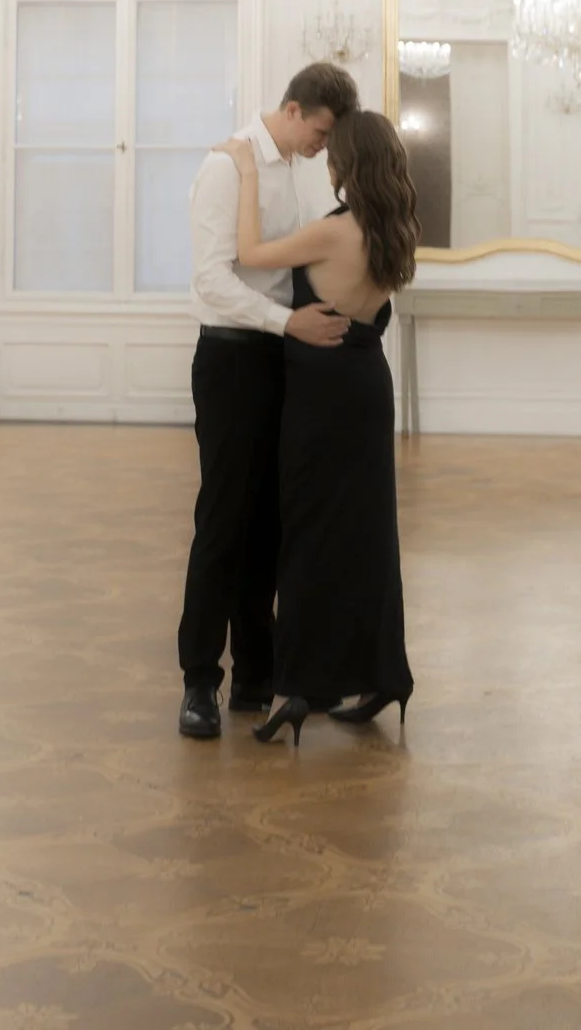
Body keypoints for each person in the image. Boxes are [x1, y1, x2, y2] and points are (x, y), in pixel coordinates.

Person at [216, 109, 419, 747]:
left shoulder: (335, 233)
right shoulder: (398, 228)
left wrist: (247, 172)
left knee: (304, 539)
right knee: (369, 536)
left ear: (344, 166)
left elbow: (248, 254)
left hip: (321, 397)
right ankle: (383, 674)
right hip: (367, 389)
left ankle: (291, 690)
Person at [177, 62, 361, 741]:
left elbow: (286, 267)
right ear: (290, 109)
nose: (323, 146)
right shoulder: (228, 166)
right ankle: (198, 680)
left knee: (268, 526)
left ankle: (257, 674)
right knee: (222, 521)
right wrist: (289, 325)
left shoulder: (290, 169)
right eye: (318, 131)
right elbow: (211, 281)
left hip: (281, 359)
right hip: (230, 357)